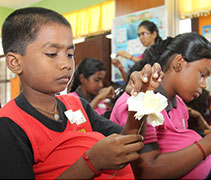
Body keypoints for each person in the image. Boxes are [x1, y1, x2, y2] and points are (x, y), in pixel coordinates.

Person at [0, 7, 165, 179]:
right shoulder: (8, 126)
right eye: (52, 54)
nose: (66, 64)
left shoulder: (77, 106)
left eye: (70, 54)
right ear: (15, 63)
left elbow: (129, 142)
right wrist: (91, 163)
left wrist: (141, 100)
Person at [117, 33, 211, 179]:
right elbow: (147, 172)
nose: (204, 85)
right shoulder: (138, 101)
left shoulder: (178, 103)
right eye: (202, 75)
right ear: (178, 63)